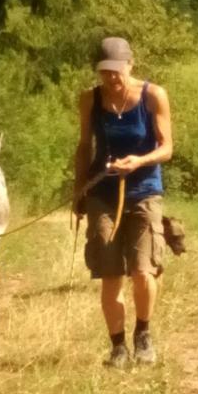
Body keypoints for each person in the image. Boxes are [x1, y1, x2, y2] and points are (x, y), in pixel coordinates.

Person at [73, 36, 173, 367]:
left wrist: (138, 161)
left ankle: (143, 334)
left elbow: (167, 148)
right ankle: (118, 347)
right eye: (105, 72)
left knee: (143, 271)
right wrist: (79, 190)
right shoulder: (90, 99)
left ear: (131, 65)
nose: (112, 79)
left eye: (117, 71)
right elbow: (84, 145)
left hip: (144, 189)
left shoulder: (153, 96)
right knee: (110, 271)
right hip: (103, 192)